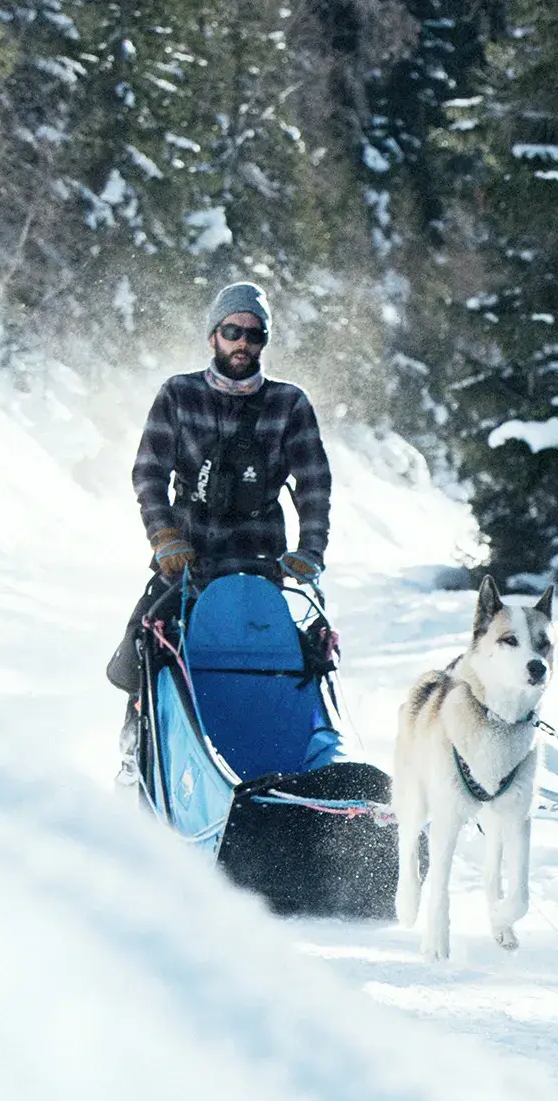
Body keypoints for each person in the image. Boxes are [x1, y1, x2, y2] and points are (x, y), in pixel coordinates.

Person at [109, 283, 336, 776]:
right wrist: (164, 536)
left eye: (254, 335)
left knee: (284, 664)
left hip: (259, 569)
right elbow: (149, 472)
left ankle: (280, 760)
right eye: (233, 331)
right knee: (141, 654)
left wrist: (310, 550)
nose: (243, 344)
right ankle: (136, 752)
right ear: (213, 336)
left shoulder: (289, 405)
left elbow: (314, 483)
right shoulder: (178, 394)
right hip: (187, 563)